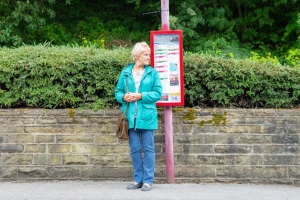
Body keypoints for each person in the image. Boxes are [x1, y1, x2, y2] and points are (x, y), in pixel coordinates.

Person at [115, 42, 162, 191]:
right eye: (145, 54)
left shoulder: (152, 73)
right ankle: (137, 180)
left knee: (148, 149)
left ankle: (147, 181)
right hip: (130, 117)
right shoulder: (126, 71)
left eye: (148, 54)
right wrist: (124, 97)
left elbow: (157, 93)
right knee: (134, 149)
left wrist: (140, 95)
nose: (148, 57)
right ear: (137, 56)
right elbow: (118, 92)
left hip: (147, 116)